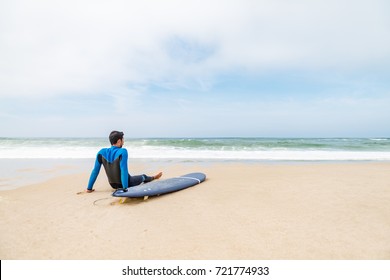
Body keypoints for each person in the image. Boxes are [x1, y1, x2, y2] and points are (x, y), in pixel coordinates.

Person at [86, 131, 162, 193]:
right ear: (119, 141)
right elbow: (124, 171)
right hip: (127, 183)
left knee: (132, 176)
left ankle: (89, 188)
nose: (123, 142)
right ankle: (153, 177)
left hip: (113, 185)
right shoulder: (123, 152)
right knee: (143, 176)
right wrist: (125, 189)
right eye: (123, 140)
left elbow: (95, 171)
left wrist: (89, 188)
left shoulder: (101, 152)